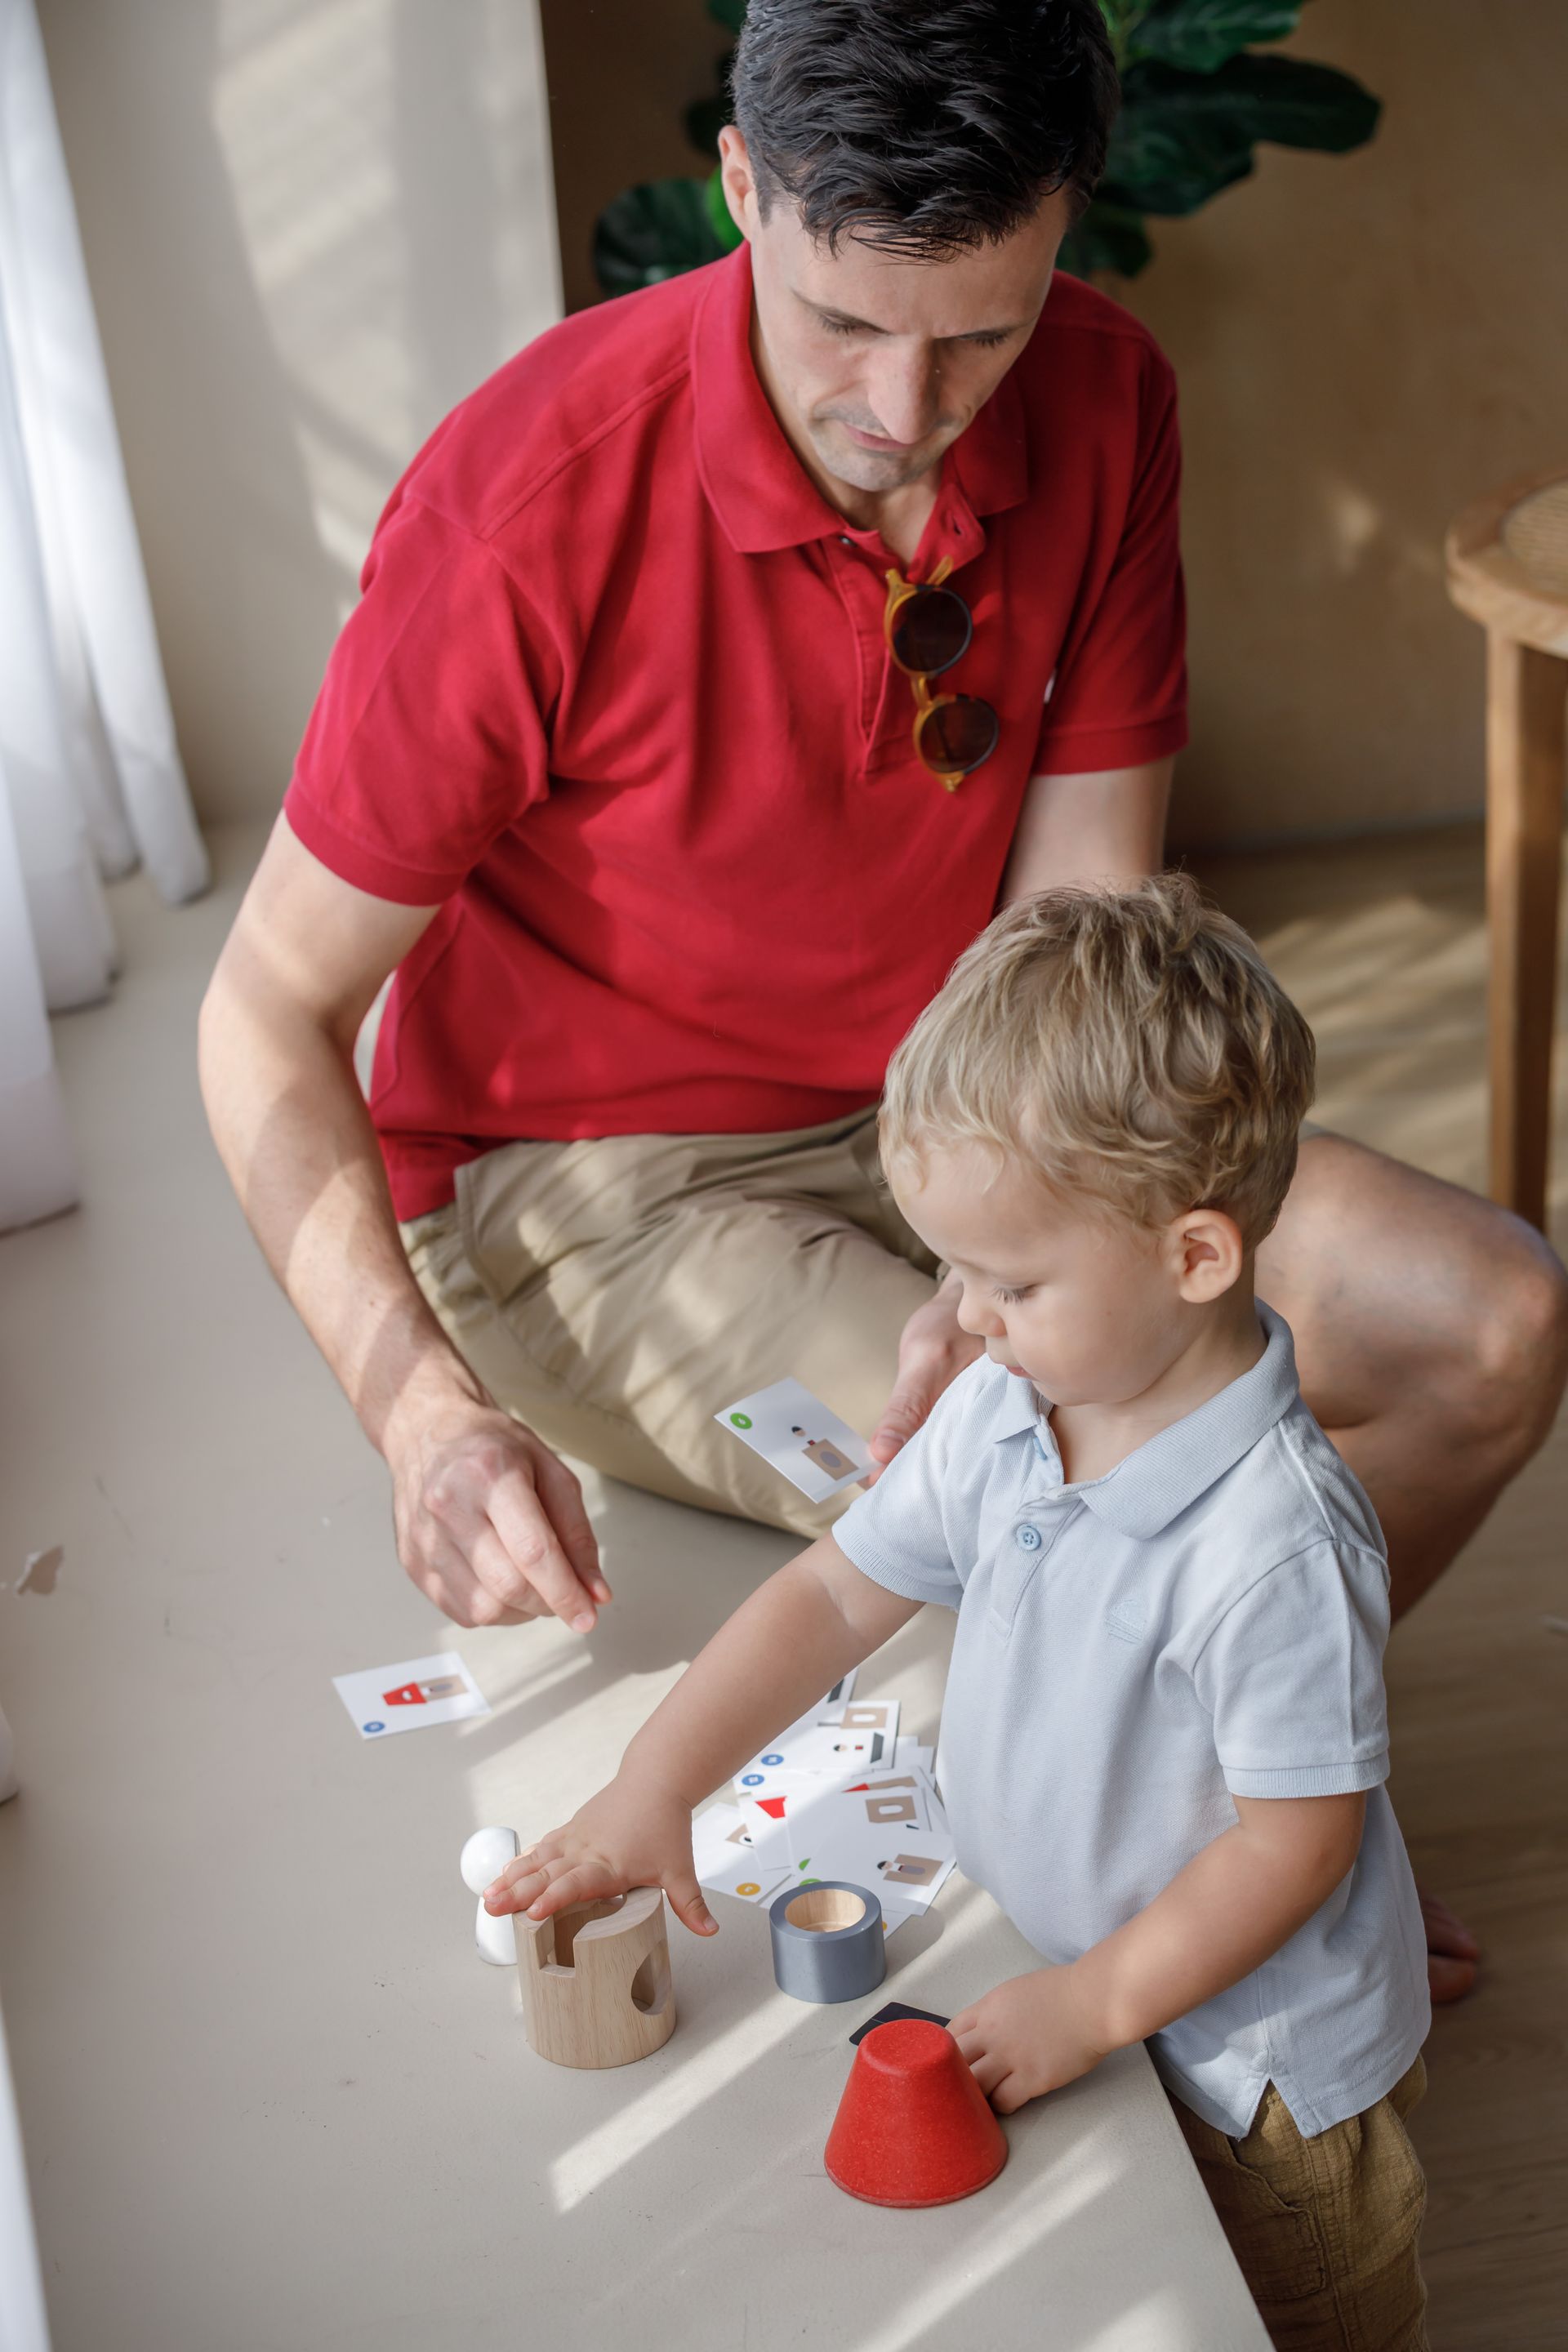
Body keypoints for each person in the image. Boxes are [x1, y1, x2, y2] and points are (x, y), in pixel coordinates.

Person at [197, 0, 1566, 1999]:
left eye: (982, 331)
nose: (909, 404)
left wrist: (995, 1256)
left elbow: (1076, 948)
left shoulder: (1107, 398)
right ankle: (1232, 1858)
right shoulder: (529, 501)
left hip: (965, 1105)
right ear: (743, 187)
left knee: (1494, 1321)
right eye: (844, 319)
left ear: (1063, 235)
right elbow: (262, 1015)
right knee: (1054, 1477)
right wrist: (422, 1420)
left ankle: (1268, 1804)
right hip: (596, 1181)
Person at [484, 878, 1433, 2350]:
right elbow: (830, 1589)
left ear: (1194, 1259)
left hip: (1262, 2079)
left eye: (1011, 1280)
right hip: (1092, 1984)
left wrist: (1092, 2004)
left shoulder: (1273, 1546)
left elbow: (1296, 1845)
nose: (965, 1319)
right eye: (954, 1270)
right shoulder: (1012, 1401)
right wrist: (655, 1781)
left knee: (1304, 2321)